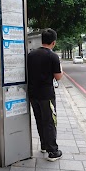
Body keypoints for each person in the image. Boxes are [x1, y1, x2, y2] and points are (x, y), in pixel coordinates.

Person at [27, 28, 63, 161]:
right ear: (53, 42)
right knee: (49, 122)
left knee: (40, 120)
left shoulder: (31, 55)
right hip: (46, 95)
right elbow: (58, 77)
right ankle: (53, 151)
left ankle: (44, 145)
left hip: (33, 94)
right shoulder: (53, 56)